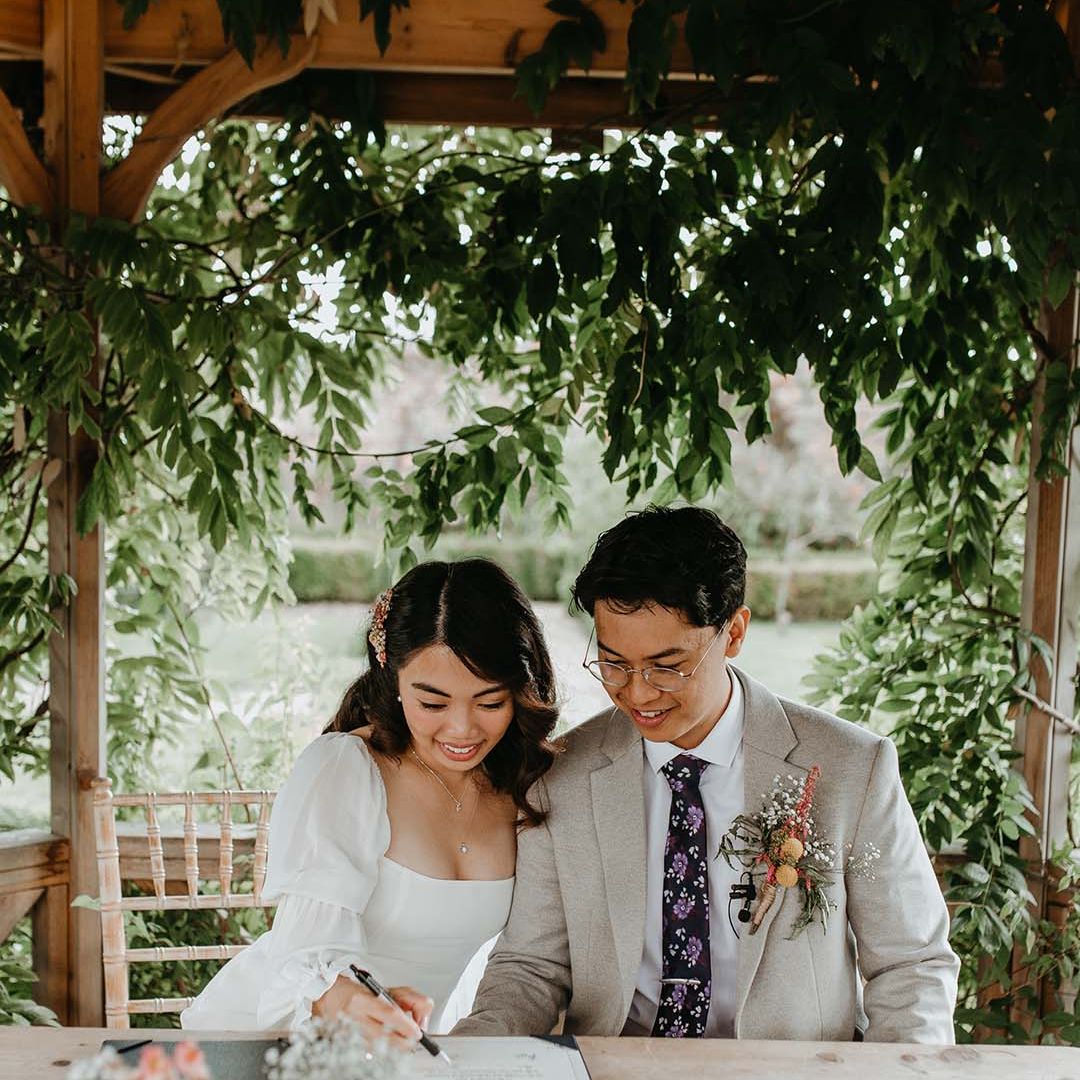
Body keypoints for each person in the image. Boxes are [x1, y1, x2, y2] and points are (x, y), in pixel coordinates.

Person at [454, 506, 959, 1043]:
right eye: (614, 663)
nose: (638, 693)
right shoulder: (561, 776)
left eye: (667, 666)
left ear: (734, 632)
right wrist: (471, 1054)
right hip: (618, 1067)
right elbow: (531, 967)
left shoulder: (851, 768)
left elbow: (911, 965)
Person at [181, 558, 559, 1040]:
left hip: (412, 1046)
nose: (462, 729)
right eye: (433, 703)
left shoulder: (525, 783)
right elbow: (302, 959)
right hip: (282, 1036)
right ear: (393, 679)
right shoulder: (346, 770)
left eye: (490, 702)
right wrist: (349, 1001)